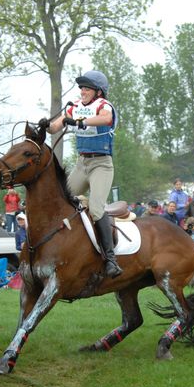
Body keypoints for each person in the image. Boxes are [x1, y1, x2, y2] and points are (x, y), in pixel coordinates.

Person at [43, 70, 122, 278]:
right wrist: (46, 126)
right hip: (81, 164)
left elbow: (105, 119)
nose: (82, 91)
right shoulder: (74, 106)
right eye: (81, 88)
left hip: (101, 165)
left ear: (98, 92)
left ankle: (111, 259)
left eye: (87, 88)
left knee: (96, 208)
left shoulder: (104, 106)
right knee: (60, 201)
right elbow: (56, 126)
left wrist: (79, 122)